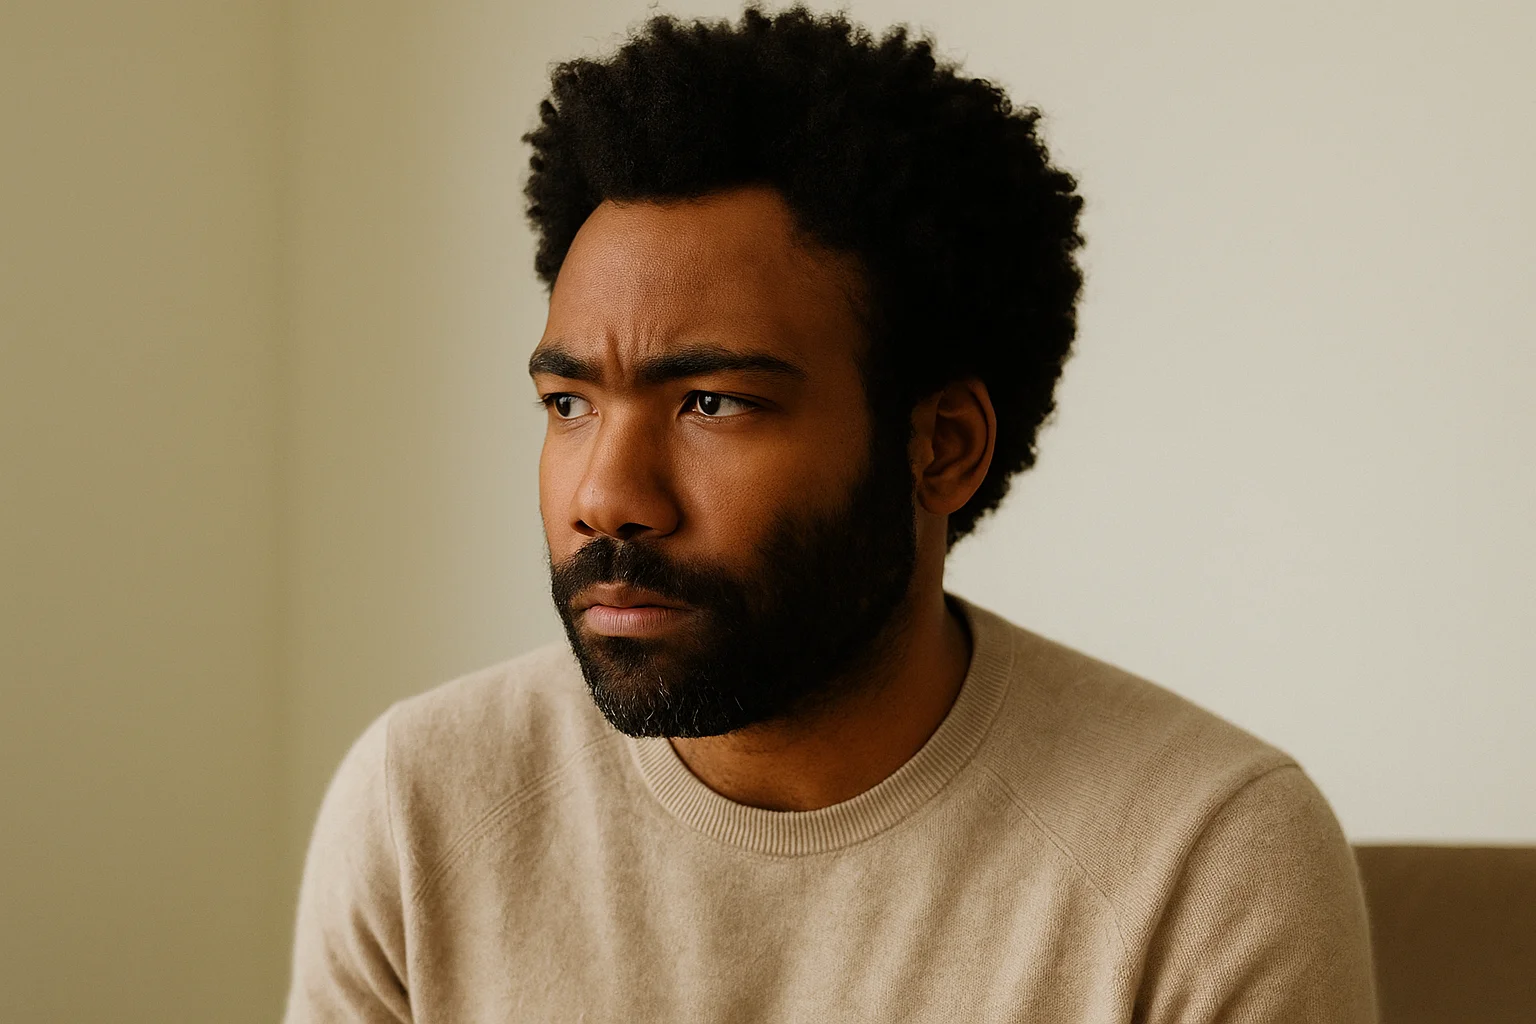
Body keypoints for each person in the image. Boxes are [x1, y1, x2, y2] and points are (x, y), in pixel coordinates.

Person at [284, 6, 1378, 1021]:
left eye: (712, 403)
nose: (605, 494)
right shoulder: (421, 806)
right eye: (569, 403)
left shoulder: (1204, 856)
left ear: (942, 445)